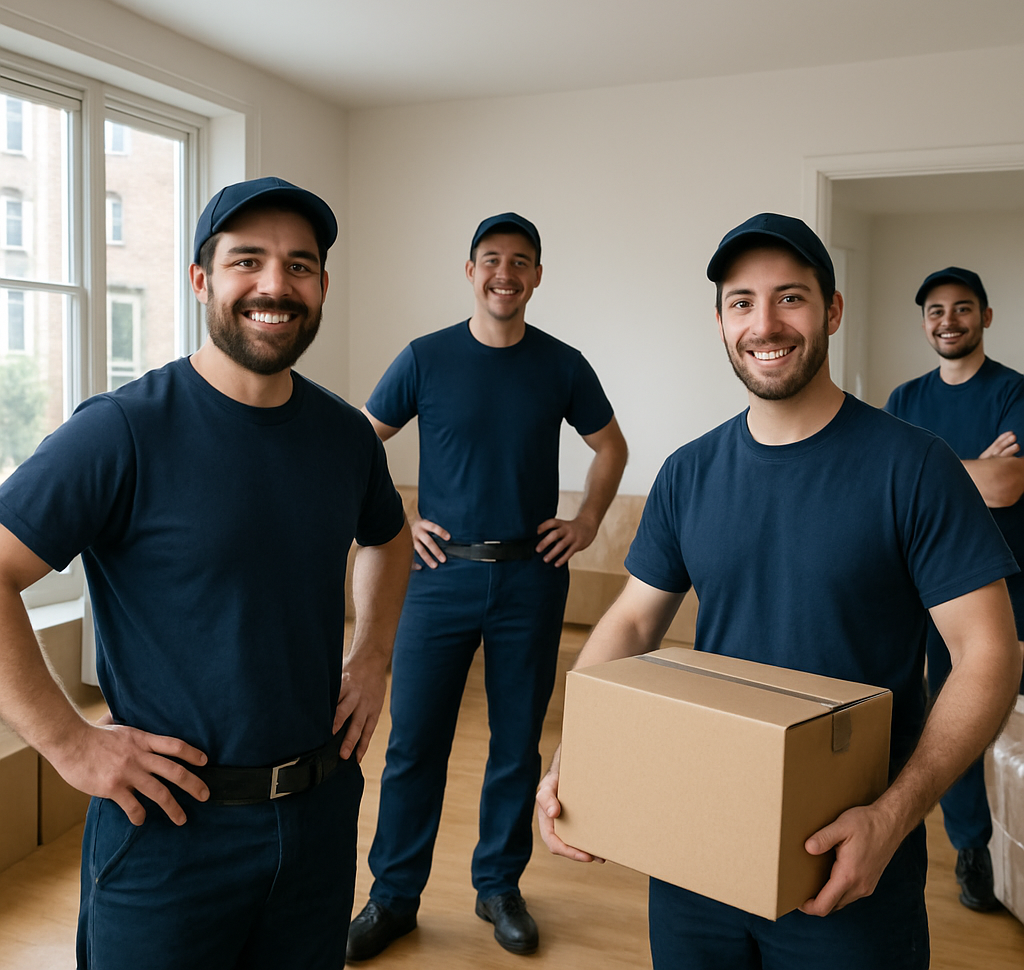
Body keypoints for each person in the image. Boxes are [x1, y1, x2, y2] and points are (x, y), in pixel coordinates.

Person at [536, 213, 1022, 970]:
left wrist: (893, 819)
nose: (764, 323)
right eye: (741, 302)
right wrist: (580, 753)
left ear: (831, 311)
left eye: (790, 298)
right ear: (721, 321)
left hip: (849, 861)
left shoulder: (913, 467)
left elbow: (990, 652)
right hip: (696, 841)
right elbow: (632, 623)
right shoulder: (689, 473)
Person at [0, 176, 412, 970]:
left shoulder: (344, 435)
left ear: (322, 287)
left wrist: (372, 654)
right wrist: (68, 745)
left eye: (299, 266)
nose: (274, 285)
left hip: (319, 815)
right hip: (171, 831)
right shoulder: (121, 432)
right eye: (246, 261)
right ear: (201, 280)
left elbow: (388, 540)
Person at [347, 212, 628, 959]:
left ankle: (499, 886)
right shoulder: (424, 358)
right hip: (437, 579)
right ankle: (393, 897)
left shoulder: (561, 364)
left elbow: (611, 446)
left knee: (515, 745)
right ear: (470, 271)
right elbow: (355, 444)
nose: (505, 272)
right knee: (414, 745)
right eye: (491, 259)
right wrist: (402, 520)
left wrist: (589, 519)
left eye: (521, 261)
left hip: (532, 579)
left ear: (537, 276)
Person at [884, 265, 1024, 912]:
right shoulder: (905, 402)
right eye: (936, 311)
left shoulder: (1014, 393)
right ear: (924, 323)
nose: (949, 321)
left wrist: (934, 472)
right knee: (957, 717)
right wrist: (975, 469)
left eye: (963, 309)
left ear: (986, 317)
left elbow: (1007, 487)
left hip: (1013, 580)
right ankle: (971, 849)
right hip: (938, 592)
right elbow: (890, 492)